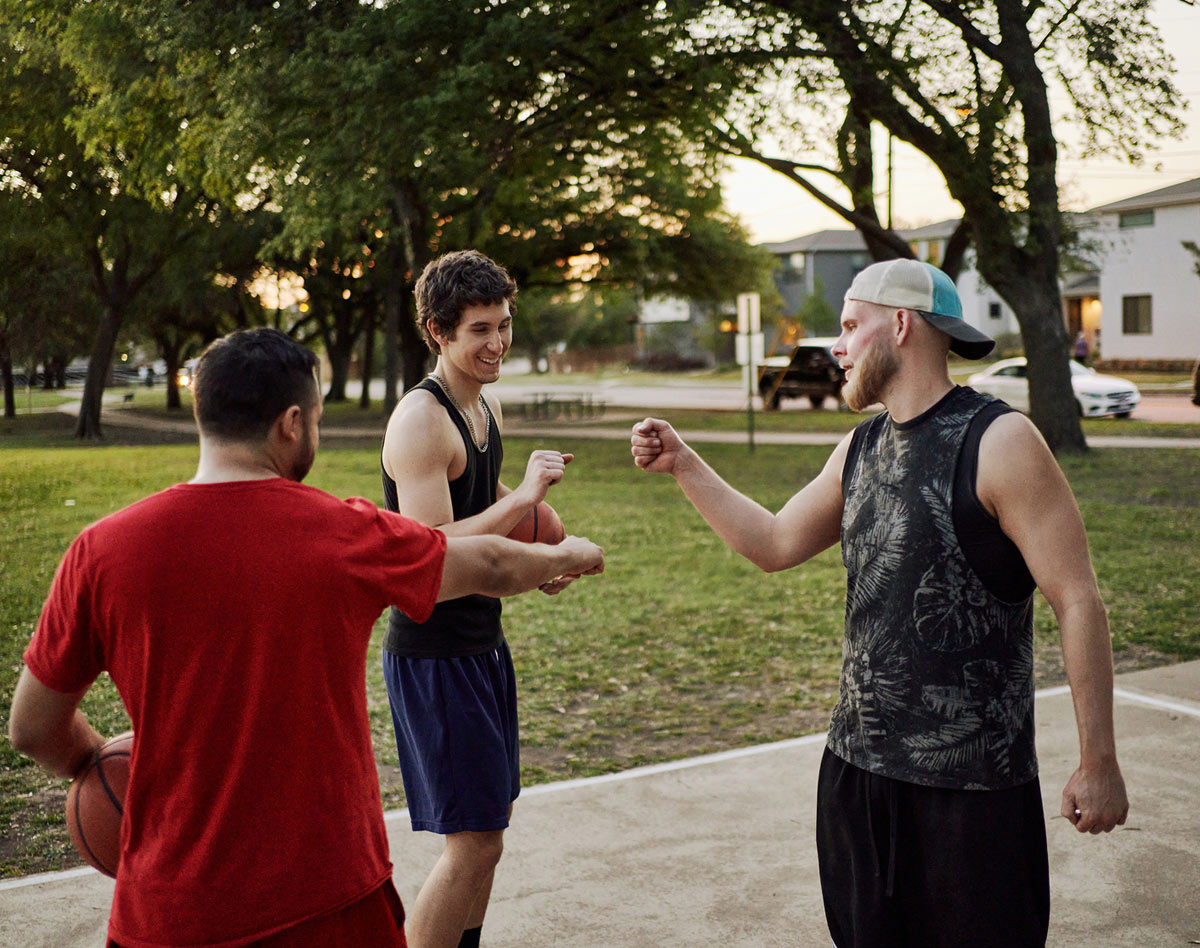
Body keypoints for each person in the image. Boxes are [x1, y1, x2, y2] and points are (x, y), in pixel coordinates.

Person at [8, 327, 604, 948]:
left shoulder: (101, 552)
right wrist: (575, 553)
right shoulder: (342, 534)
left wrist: (102, 770)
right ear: (293, 423)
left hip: (167, 912)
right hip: (332, 897)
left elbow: (31, 728)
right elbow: (492, 566)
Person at [630, 258, 1128, 948]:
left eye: (849, 325)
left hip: (971, 792)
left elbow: (1078, 600)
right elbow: (773, 542)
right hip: (857, 776)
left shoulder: (1000, 441)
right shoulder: (859, 448)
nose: (836, 346)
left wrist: (1097, 760)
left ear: (900, 324)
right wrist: (685, 462)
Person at [379, 250, 576, 948]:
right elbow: (430, 549)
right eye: (479, 331)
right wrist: (526, 499)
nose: (497, 343)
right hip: (435, 654)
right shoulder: (420, 422)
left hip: (480, 644)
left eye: (504, 324)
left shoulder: (478, 402)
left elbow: (481, 498)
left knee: (489, 834)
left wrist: (540, 550)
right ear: (438, 331)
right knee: (473, 845)